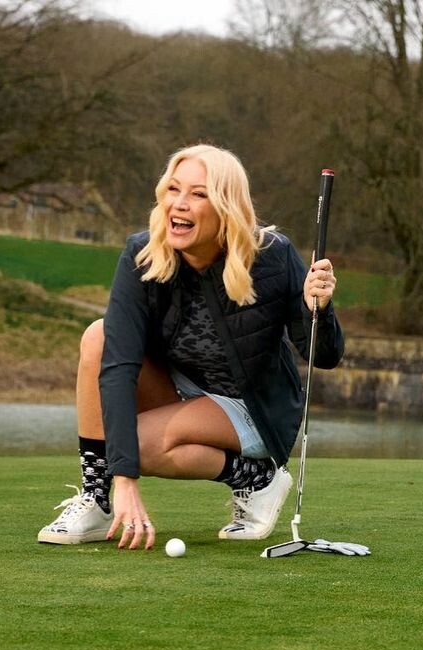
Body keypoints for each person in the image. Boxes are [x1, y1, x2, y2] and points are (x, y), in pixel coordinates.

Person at [37, 144, 343, 550]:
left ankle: (258, 477)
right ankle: (97, 499)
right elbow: (118, 364)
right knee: (99, 335)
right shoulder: (142, 254)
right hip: (186, 390)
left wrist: (317, 307)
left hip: (253, 409)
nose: (179, 204)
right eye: (173, 189)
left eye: (198, 194)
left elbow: (325, 356)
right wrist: (122, 481)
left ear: (226, 206)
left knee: (136, 445)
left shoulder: (273, 255)